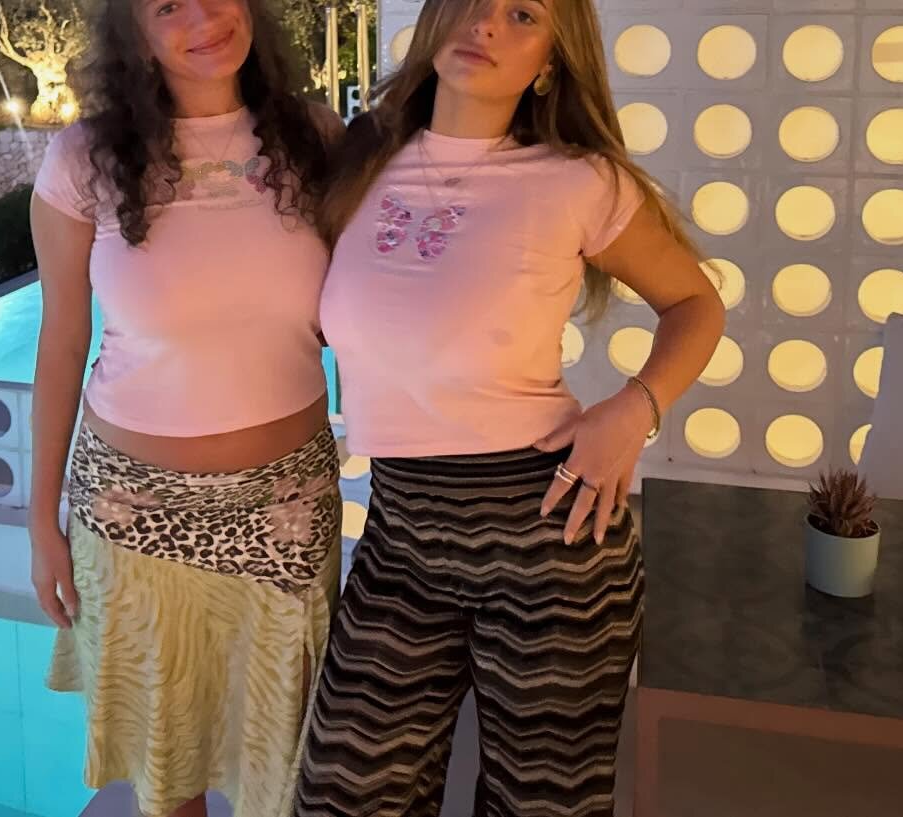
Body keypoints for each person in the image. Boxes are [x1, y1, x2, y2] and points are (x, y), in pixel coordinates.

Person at [294, 0, 726, 815]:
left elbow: (697, 304)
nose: (485, 23)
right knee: (341, 794)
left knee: (539, 805)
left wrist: (635, 407)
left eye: (523, 14)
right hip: (401, 535)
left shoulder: (577, 181)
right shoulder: (361, 160)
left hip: (548, 538)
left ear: (552, 59)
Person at [24, 1, 345, 816]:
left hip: (287, 513)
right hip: (131, 518)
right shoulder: (82, 159)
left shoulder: (315, 138)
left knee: (288, 769)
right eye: (168, 4)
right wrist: (39, 521)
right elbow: (61, 342)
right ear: (133, 31)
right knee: (169, 778)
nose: (203, 17)